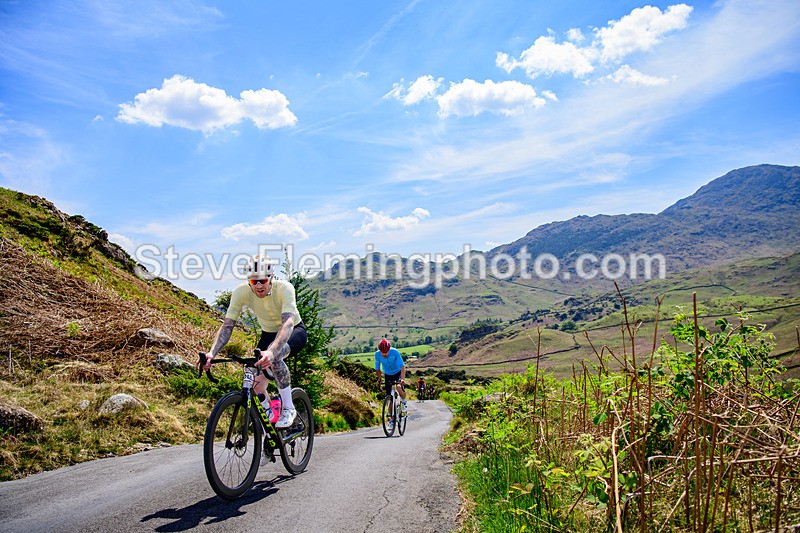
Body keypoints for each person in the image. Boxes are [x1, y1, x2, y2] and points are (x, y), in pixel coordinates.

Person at [199, 254, 307, 429]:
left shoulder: (284, 288)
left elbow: (287, 323)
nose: (258, 286)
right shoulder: (241, 292)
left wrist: (271, 352)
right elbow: (227, 326)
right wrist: (212, 353)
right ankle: (269, 419)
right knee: (256, 383)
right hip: (267, 334)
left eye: (263, 281)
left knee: (276, 356)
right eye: (253, 282)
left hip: (294, 331)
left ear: (271, 277)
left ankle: (288, 408)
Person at [374, 338, 408, 414]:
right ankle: (392, 418)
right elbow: (377, 368)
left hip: (397, 373)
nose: (384, 354)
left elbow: (402, 366)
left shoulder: (395, 352)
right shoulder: (377, 354)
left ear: (389, 349)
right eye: (382, 352)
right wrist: (379, 379)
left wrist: (402, 379)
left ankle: (404, 402)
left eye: (386, 352)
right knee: (389, 398)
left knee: (399, 387)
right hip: (388, 375)